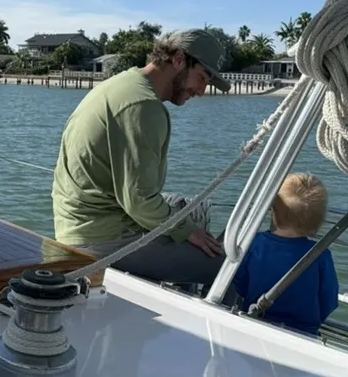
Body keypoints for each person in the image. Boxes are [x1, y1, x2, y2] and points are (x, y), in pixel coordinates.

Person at [51, 29, 230, 289]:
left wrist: (186, 227)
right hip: (100, 238)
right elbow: (139, 202)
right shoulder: (143, 106)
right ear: (179, 59)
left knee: (188, 211)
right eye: (202, 77)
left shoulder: (124, 83)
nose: (202, 91)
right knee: (229, 268)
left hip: (79, 223)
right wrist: (187, 231)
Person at [233, 172, 339, 336]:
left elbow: (239, 283)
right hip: (304, 332)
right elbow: (329, 300)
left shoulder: (254, 244)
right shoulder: (321, 256)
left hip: (255, 322)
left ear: (273, 210)